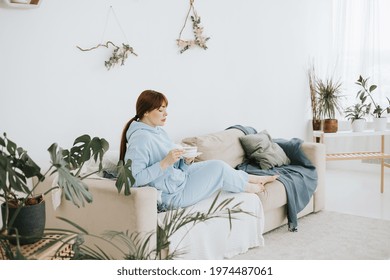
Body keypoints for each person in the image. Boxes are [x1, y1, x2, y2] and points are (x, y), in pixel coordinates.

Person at [119, 89, 278, 209]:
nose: (166, 114)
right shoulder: (141, 138)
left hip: (177, 180)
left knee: (218, 164)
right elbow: (132, 179)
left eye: (165, 109)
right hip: (170, 196)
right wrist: (164, 163)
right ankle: (249, 186)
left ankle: (251, 178)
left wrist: (186, 161)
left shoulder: (158, 131)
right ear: (146, 112)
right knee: (219, 171)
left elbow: (172, 166)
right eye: (160, 110)